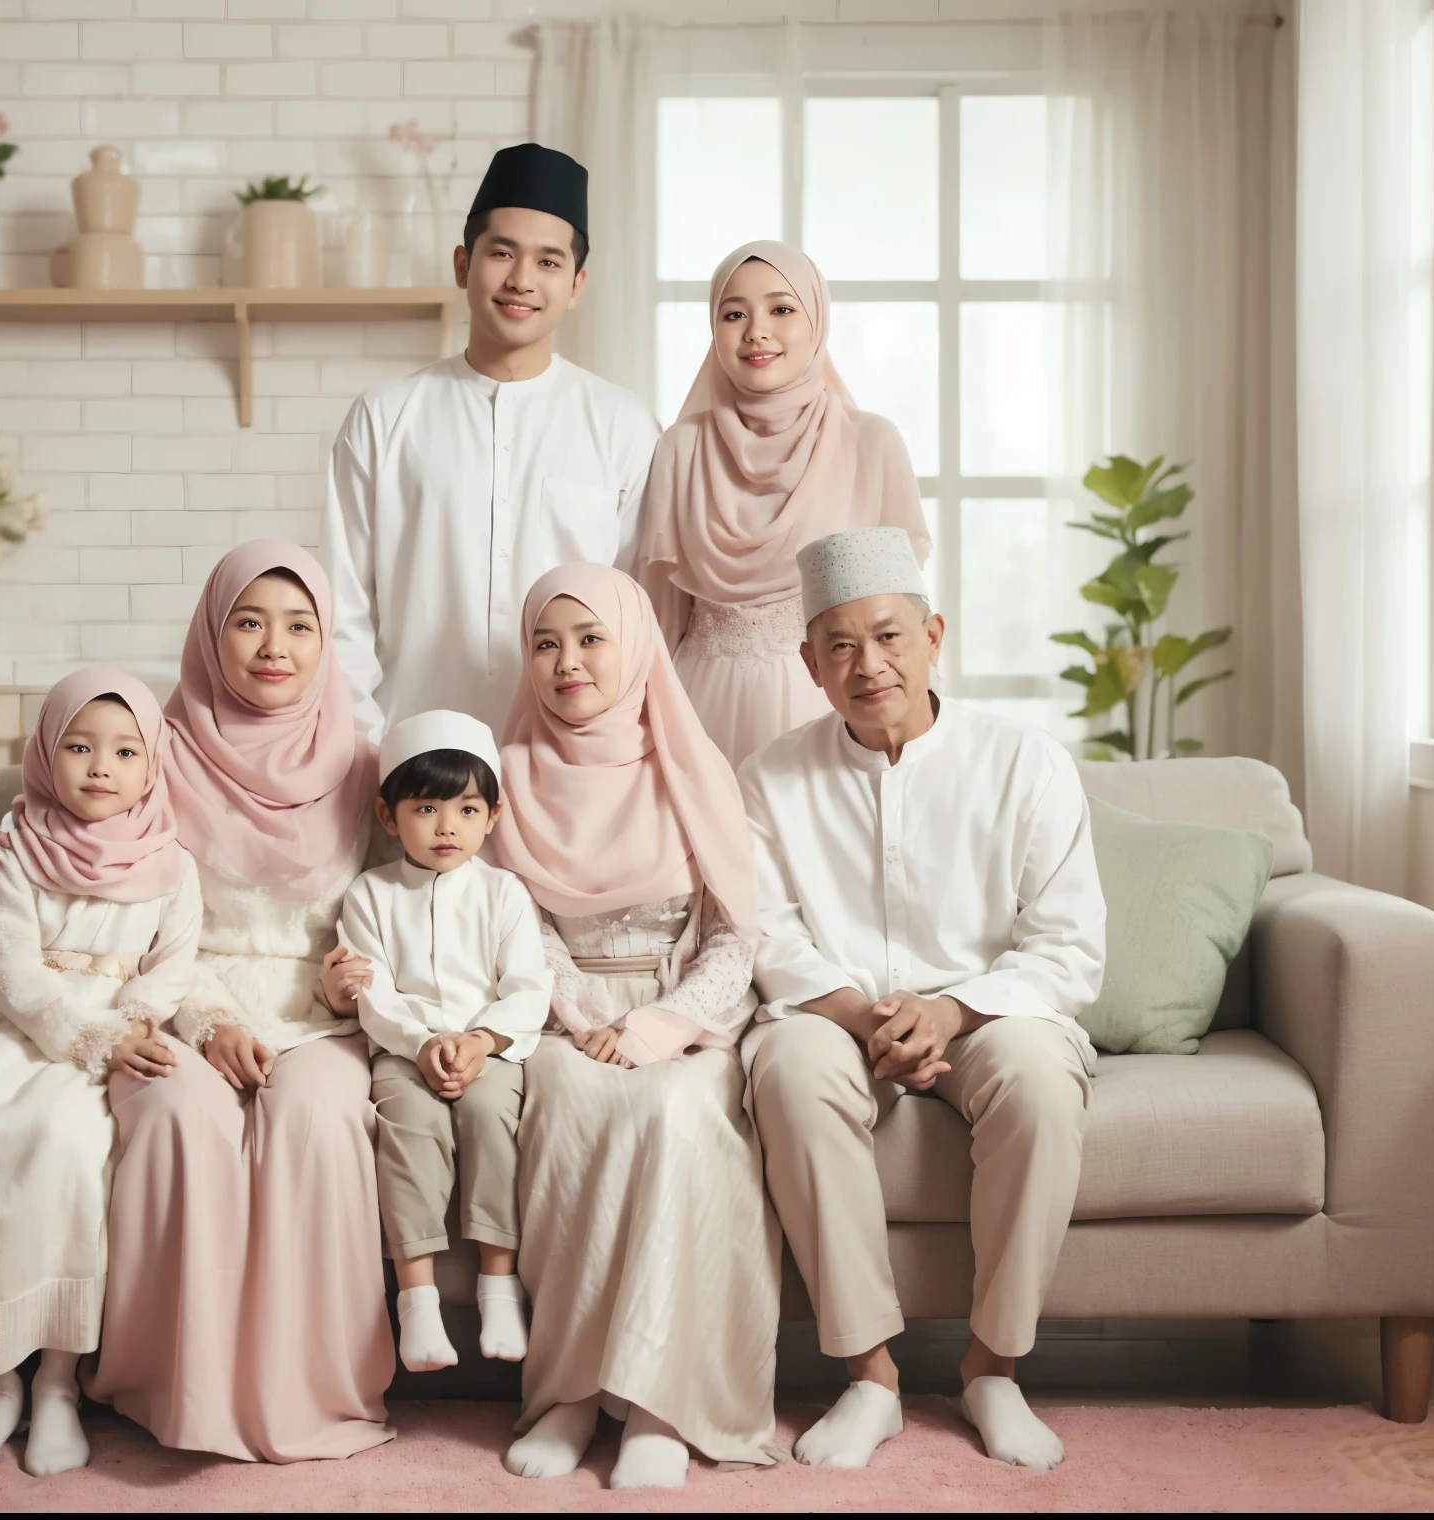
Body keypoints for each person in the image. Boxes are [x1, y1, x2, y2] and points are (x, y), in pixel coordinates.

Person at [741, 526, 1105, 1474]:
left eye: (891, 637)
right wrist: (865, 1017)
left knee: (1039, 1079)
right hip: (834, 1014)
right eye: (842, 647)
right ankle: (871, 1377)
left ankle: (994, 1371)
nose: (870, 666)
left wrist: (950, 1012)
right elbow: (767, 933)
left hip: (987, 1012)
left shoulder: (1026, 765)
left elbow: (1067, 947)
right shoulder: (770, 777)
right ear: (812, 664)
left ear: (934, 635)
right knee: (782, 1067)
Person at [78, 541, 394, 1464]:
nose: (274, 647)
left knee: (317, 1121)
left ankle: (310, 1391)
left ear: (327, 642)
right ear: (212, 636)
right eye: (248, 622)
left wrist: (352, 979)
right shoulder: (159, 752)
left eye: (301, 627)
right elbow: (94, 862)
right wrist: (210, 1022)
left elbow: (404, 902)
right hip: (180, 991)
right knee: (178, 1112)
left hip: (324, 1006)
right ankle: (170, 1388)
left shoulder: (368, 764)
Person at [488, 563, 780, 1492]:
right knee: (571, 1107)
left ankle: (661, 1402)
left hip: (686, 1019)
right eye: (546, 642)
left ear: (637, 646)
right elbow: (513, 926)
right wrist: (579, 1018)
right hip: (560, 1020)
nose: (568, 662)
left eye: (590, 639)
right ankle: (574, 1390)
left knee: (676, 1118)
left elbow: (739, 935)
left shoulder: (694, 769)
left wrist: (665, 1024)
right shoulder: (507, 775)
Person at [0, 669, 202, 1478]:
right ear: (45, 752)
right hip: (23, 1023)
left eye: (126, 750)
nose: (102, 766)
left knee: (67, 1142)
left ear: (152, 763)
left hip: (119, 1029)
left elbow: (173, 967)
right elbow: (8, 966)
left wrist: (129, 1024)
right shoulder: (18, 841)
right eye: (80, 746)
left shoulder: (171, 859)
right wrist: (80, 1031)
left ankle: (59, 1380)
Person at [323, 142, 663, 736]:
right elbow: (344, 608)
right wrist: (371, 749)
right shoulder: (383, 416)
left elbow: (637, 616)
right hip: (410, 763)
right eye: (501, 253)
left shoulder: (624, 425)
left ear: (578, 284)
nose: (522, 280)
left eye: (549, 263)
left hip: (568, 768)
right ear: (462, 263)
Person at [636, 241, 930, 767]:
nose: (757, 331)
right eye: (734, 314)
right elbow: (658, 615)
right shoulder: (680, 446)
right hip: (699, 707)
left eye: (782, 309)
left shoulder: (872, 443)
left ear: (816, 318)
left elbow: (903, 615)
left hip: (833, 703)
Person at [330, 710, 551, 1375]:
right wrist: (421, 1042)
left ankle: (499, 1286)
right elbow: (373, 991)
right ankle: (417, 1300)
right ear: (388, 815)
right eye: (426, 807)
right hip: (404, 1052)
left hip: (488, 1050)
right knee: (411, 1126)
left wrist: (481, 1041)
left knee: (490, 1118)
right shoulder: (370, 895)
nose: (447, 826)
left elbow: (527, 984)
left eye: (466, 808)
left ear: (493, 816)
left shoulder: (504, 893)